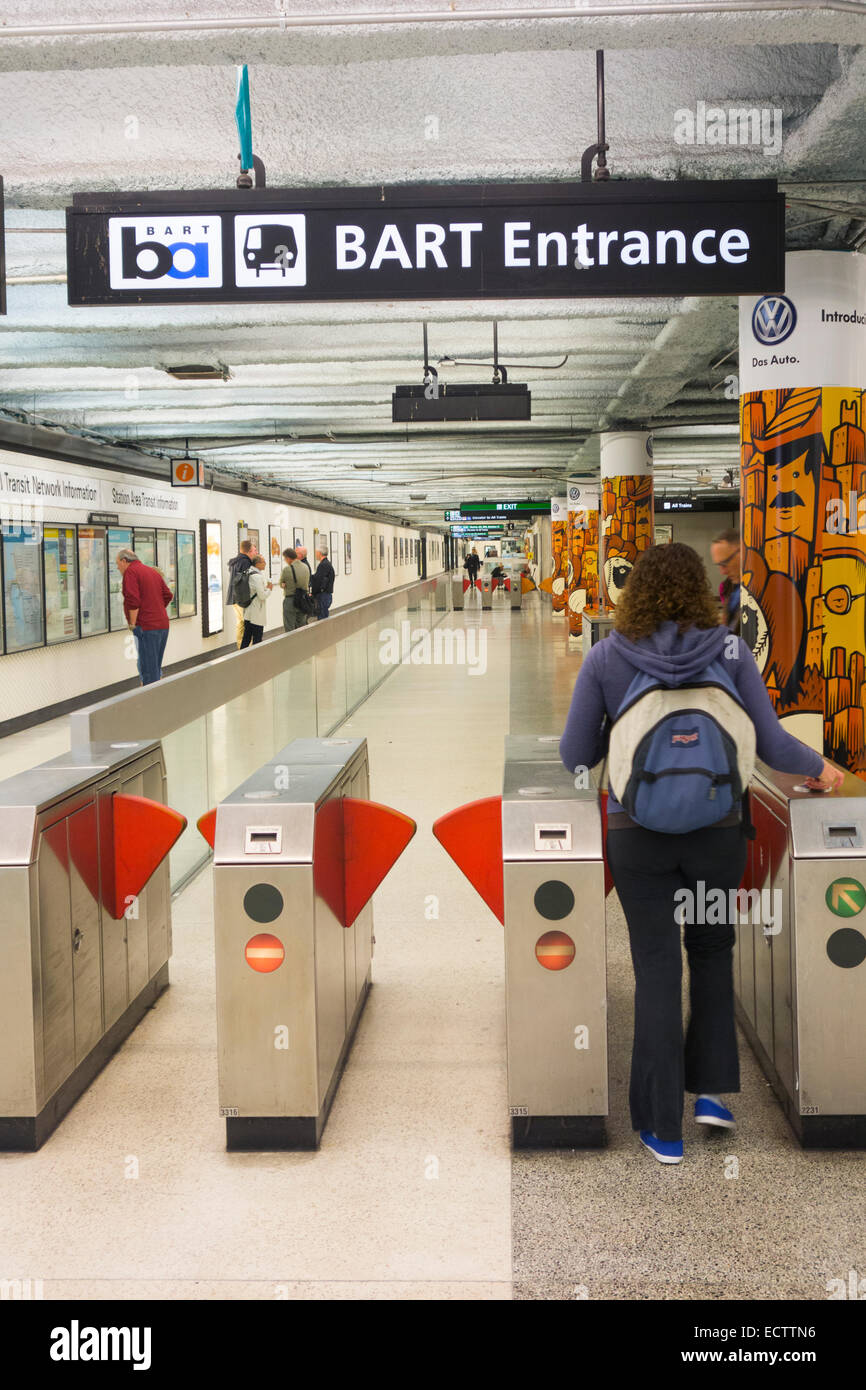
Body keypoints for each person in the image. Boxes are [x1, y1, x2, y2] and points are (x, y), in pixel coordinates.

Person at [559, 542, 842, 1166]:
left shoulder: (608, 656)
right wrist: (822, 767)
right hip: (717, 834)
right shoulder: (733, 650)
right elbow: (770, 743)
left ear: (634, 594)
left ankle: (663, 1128)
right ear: (700, 589)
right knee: (712, 954)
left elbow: (575, 754)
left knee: (657, 968)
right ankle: (712, 1093)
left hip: (637, 837)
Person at [116, 547, 173, 685]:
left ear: (124, 561)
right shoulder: (151, 571)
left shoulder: (131, 572)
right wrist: (155, 609)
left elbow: (133, 601)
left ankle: (153, 704)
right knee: (155, 668)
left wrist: (132, 623)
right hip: (162, 625)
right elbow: (168, 595)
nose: (118, 569)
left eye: (118, 564)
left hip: (147, 627)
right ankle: (157, 700)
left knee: (148, 671)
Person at [228, 538, 257, 649]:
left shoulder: (235, 562)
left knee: (240, 622)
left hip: (234, 597)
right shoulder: (245, 562)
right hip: (241, 598)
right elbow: (247, 582)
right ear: (248, 551)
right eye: (254, 550)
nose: (256, 552)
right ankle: (243, 647)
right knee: (244, 623)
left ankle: (241, 646)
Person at [710, 528, 741, 633]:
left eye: (725, 563)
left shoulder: (763, 590)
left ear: (741, 552)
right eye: (719, 565)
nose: (722, 572)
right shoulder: (732, 589)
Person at [239, 555, 272, 648]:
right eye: (263, 562)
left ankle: (242, 659)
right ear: (257, 564)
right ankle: (256, 661)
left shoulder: (247, 572)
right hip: (257, 612)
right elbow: (262, 596)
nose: (265, 563)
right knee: (257, 639)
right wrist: (269, 589)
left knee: (246, 638)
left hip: (248, 611)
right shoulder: (257, 577)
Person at [279, 546, 311, 631]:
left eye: (284, 558)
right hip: (303, 599)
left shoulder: (287, 569)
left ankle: (291, 644)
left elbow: (281, 583)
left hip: (290, 600)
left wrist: (284, 584)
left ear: (288, 558)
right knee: (302, 625)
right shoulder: (306, 567)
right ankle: (302, 643)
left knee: (289, 627)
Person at [310, 543, 335, 620]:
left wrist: (313, 593)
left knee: (322, 620)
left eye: (316, 552)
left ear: (320, 553)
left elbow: (319, 581)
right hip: (326, 595)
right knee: (324, 617)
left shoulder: (323, 565)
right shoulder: (327, 564)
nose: (315, 554)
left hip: (323, 596)